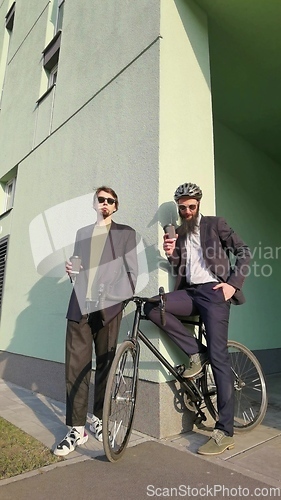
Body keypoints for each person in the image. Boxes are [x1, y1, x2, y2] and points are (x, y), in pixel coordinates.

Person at [144, 182, 251, 456]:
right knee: (153, 307)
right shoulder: (179, 232)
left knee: (219, 358)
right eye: (183, 208)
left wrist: (232, 285)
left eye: (192, 206)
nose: (188, 211)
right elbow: (181, 267)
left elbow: (244, 251)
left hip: (215, 293)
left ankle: (224, 431)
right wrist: (170, 254)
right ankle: (195, 352)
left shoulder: (216, 225)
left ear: (198, 205)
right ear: (178, 208)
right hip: (190, 293)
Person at [54, 186, 138, 456]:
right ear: (94, 203)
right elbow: (77, 271)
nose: (105, 203)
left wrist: (113, 299)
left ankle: (99, 419)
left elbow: (131, 275)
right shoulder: (83, 234)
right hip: (80, 306)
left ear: (115, 206)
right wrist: (71, 271)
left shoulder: (126, 234)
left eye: (110, 201)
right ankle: (76, 429)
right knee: (75, 368)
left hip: (109, 309)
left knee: (105, 366)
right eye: (100, 199)